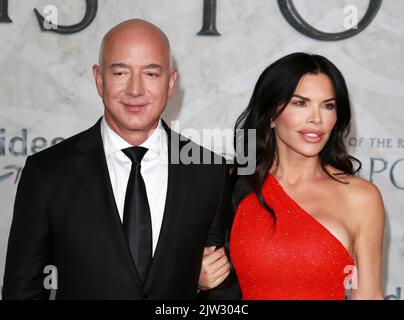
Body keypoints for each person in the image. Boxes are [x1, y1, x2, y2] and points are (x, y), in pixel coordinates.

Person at [2, 19, 240, 300]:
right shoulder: (48, 172)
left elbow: (219, 290)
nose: (135, 90)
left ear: (171, 82)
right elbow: (23, 290)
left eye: (151, 74)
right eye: (120, 73)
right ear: (99, 79)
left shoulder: (208, 170)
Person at [200, 52, 385, 300]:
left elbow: (369, 296)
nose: (316, 119)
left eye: (328, 105)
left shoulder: (362, 197)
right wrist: (196, 280)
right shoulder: (229, 184)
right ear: (271, 115)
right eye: (300, 103)